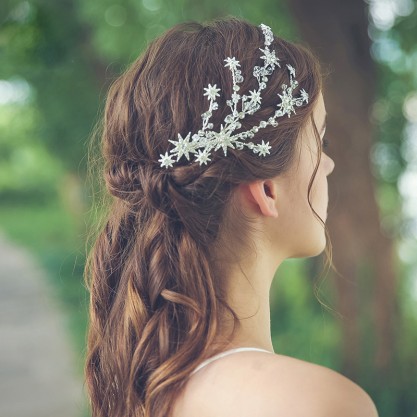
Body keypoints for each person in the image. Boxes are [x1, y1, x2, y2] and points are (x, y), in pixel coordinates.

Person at [84, 17, 379, 417]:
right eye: (319, 140)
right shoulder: (316, 404)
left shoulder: (143, 390)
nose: (327, 164)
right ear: (266, 188)